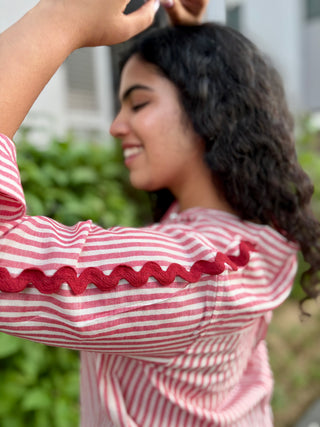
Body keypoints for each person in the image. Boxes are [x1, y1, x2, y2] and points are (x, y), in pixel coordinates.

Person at [0, 0, 319, 426]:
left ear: (210, 108)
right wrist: (195, 38)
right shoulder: (249, 238)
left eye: (138, 104)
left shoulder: (199, 276)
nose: (116, 126)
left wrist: (58, 21)